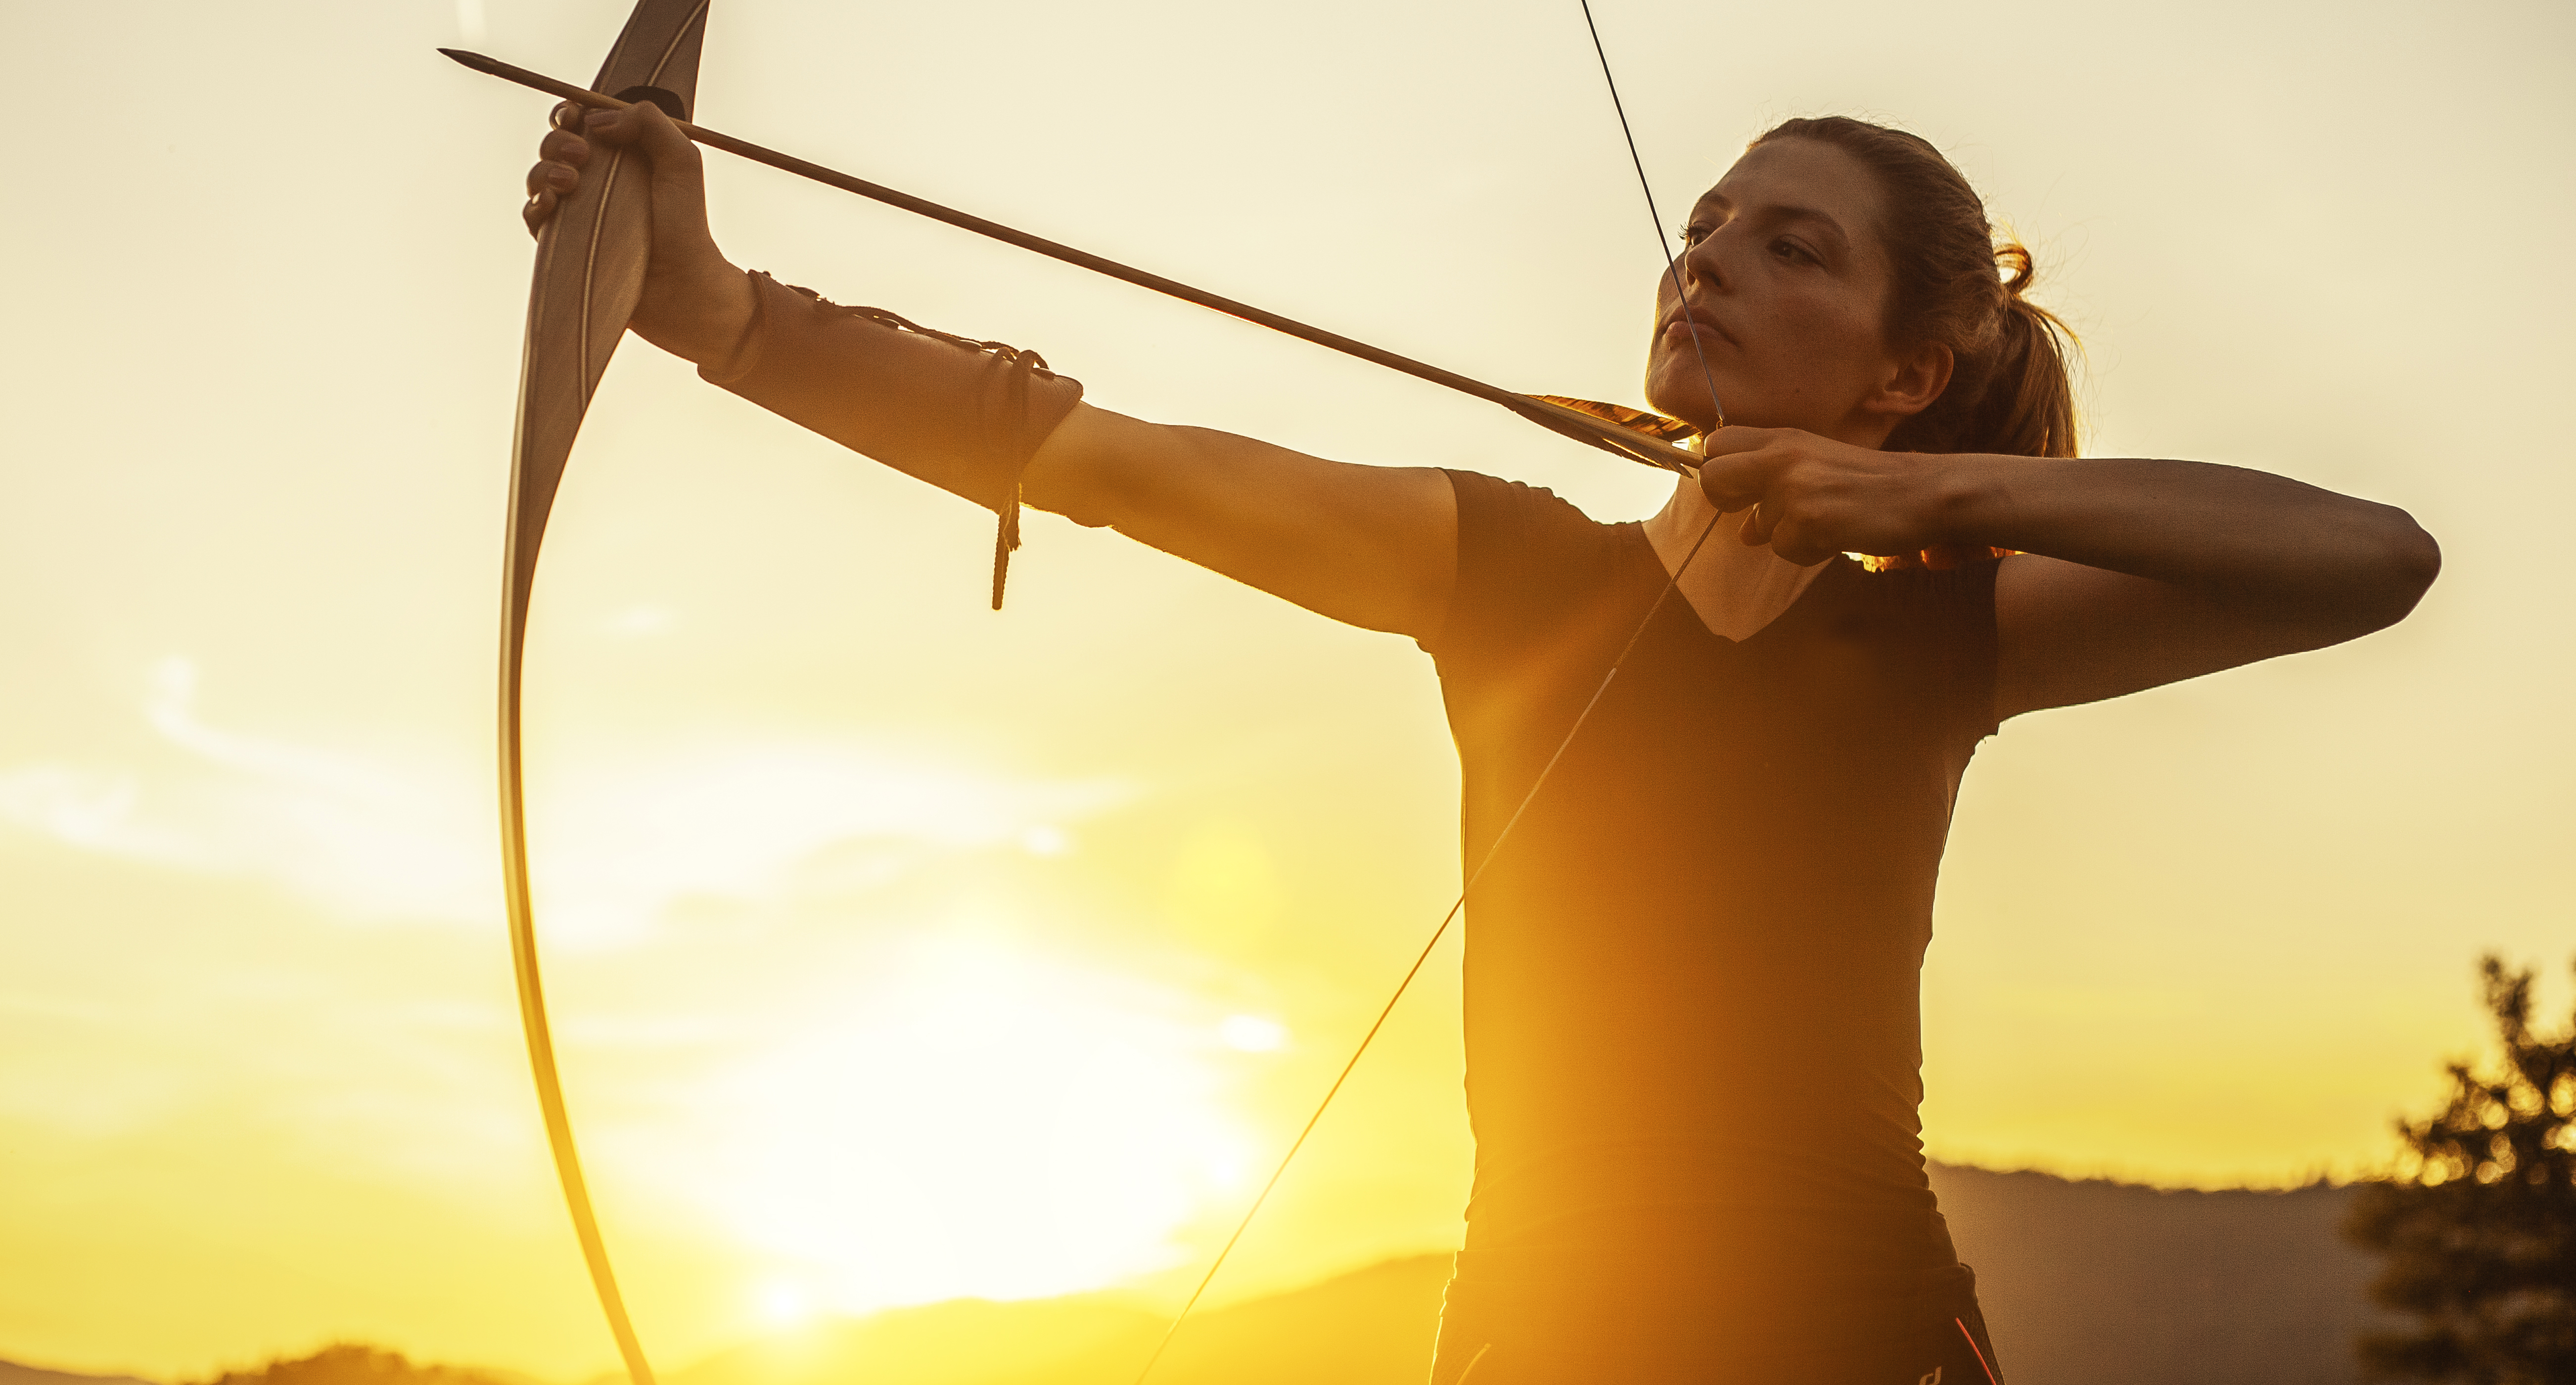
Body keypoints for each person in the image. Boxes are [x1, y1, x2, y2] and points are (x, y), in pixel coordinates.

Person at [523, 104, 2439, 1384]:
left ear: (1906, 361)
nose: (1704, 262)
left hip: (1852, 1334)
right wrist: (713, 307)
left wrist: (1891, 492)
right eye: (1698, 229)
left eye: (1788, 248)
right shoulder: (1507, 566)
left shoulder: (1932, 627)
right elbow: (1076, 452)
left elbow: (2365, 556)